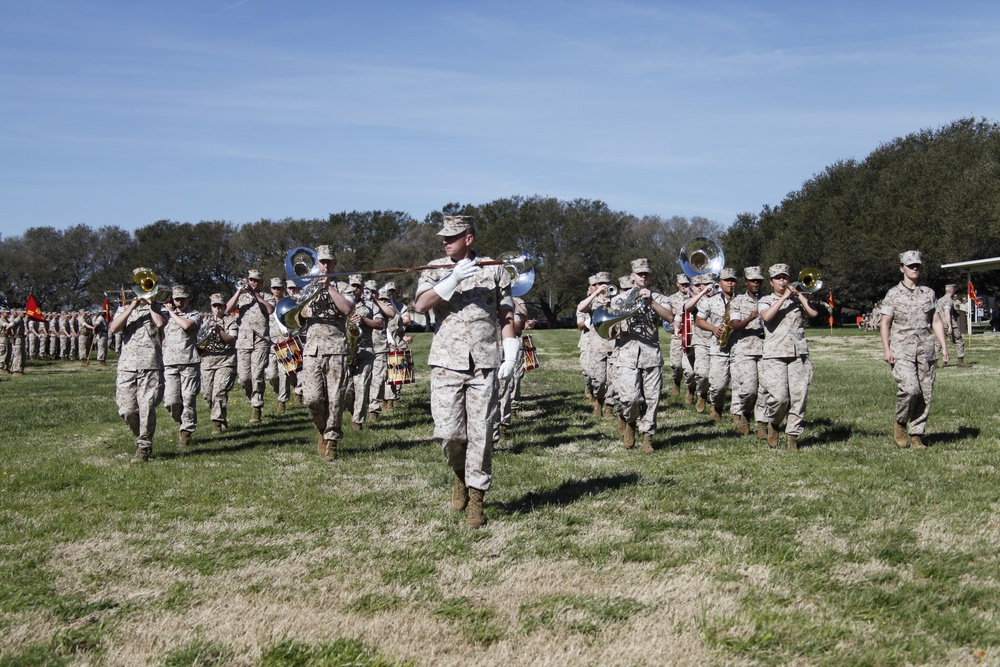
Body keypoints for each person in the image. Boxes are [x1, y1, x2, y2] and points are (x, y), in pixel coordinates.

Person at [414, 215, 518, 528]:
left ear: (468, 238)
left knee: (481, 433)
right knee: (449, 434)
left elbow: (506, 313)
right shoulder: (435, 268)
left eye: (452, 237)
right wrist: (454, 279)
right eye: (443, 238)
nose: (445, 242)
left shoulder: (495, 268)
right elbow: (421, 306)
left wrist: (511, 353)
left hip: (484, 362)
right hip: (446, 362)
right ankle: (460, 474)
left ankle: (477, 498)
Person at [880, 251, 949, 449]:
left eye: (917, 265)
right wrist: (886, 349)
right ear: (902, 268)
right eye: (910, 266)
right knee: (910, 388)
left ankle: (917, 434)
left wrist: (943, 346)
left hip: (926, 349)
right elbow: (885, 323)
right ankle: (901, 422)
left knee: (925, 393)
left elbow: (935, 321)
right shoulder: (893, 294)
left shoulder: (928, 293)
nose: (915, 268)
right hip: (902, 349)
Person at [613, 258, 675, 453]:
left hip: (650, 354)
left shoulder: (659, 298)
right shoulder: (619, 300)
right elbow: (610, 325)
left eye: (646, 273)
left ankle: (647, 436)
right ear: (632, 276)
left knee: (652, 398)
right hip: (627, 354)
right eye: (640, 274)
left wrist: (651, 301)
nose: (643, 276)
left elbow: (670, 317)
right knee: (629, 398)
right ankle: (631, 422)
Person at [299, 245, 355, 462]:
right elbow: (297, 318)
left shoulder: (344, 287)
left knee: (336, 400)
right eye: (322, 262)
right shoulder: (307, 287)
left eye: (329, 262)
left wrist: (330, 288)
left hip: (337, 350)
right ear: (317, 264)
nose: (325, 265)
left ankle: (332, 442)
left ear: (335, 264)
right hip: (312, 350)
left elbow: (348, 309)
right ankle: (322, 430)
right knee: (312, 399)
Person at [758, 263, 819, 450]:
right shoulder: (766, 300)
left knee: (799, 396)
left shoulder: (797, 300)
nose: (782, 281)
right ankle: (773, 423)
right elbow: (767, 317)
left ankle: (793, 436)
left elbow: (814, 313)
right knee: (779, 398)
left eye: (785, 277)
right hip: (774, 354)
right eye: (778, 278)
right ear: (771, 282)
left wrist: (799, 295)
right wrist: (784, 298)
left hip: (798, 353)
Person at [109, 269, 166, 462]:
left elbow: (160, 324)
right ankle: (141, 435)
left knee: (147, 406)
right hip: (127, 366)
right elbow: (114, 328)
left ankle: (144, 447)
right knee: (127, 410)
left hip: (150, 365)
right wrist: (132, 306)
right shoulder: (124, 309)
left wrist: (151, 306)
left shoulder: (159, 307)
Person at [225, 269, 275, 424]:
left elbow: (269, 310)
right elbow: (226, 310)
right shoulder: (241, 297)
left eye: (257, 280)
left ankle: (256, 406)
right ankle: (252, 396)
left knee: (258, 374)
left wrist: (255, 294)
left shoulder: (267, 296)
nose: (253, 283)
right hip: (243, 342)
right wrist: (239, 292)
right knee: (244, 377)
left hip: (260, 340)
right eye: (251, 280)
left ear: (261, 282)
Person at [727, 266, 769, 438]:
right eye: (753, 281)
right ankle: (745, 413)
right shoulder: (737, 302)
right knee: (750, 390)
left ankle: (762, 424)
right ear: (746, 283)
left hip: (767, 350)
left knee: (764, 390)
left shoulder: (767, 300)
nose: (756, 284)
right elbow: (735, 326)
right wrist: (750, 318)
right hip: (745, 349)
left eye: (759, 281)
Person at [162, 285, 202, 448]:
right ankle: (183, 420)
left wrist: (172, 312)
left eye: (183, 299)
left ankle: (186, 431)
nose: (180, 302)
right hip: (170, 362)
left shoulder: (195, 314)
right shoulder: (165, 316)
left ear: (188, 299)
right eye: (177, 299)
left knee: (188, 398)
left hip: (189, 361)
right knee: (170, 401)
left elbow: (186, 326)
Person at [695, 268, 738, 421]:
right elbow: (699, 320)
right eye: (727, 280)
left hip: (739, 348)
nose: (730, 284)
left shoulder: (742, 300)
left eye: (733, 280)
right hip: (718, 347)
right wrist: (713, 328)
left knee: (740, 385)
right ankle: (716, 405)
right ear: (720, 283)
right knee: (718, 385)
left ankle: (738, 415)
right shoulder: (710, 301)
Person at [345, 274, 385, 431]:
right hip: (345, 350)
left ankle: (358, 422)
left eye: (358, 286)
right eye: (353, 285)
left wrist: (363, 320)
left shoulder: (371, 306)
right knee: (347, 389)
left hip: (365, 350)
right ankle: (353, 409)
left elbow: (380, 324)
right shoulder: (341, 303)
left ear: (362, 288)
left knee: (361, 386)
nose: (356, 289)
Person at [577, 272, 617, 419]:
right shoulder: (591, 302)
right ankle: (599, 401)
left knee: (612, 380)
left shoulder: (616, 300)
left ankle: (609, 409)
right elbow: (581, 308)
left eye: (606, 283)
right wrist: (596, 294)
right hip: (596, 346)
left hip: (614, 345)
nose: (604, 286)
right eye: (600, 284)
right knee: (599, 380)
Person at [200, 293, 239, 434]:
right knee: (207, 394)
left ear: (224, 307)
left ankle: (217, 423)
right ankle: (221, 415)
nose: (217, 309)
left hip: (226, 361)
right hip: (207, 362)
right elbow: (198, 342)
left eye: (220, 306)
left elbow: (232, 340)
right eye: (214, 306)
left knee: (219, 392)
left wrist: (218, 330)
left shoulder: (231, 321)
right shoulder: (205, 321)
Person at [266, 277, 293, 414]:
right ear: (271, 289)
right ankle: (279, 392)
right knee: (272, 375)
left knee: (284, 374)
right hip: (271, 344)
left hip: (285, 342)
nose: (277, 290)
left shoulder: (288, 303)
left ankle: (282, 401)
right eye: (274, 288)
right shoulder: (267, 304)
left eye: (279, 288)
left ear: (283, 289)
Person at [666, 274, 695, 402]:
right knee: (676, 365)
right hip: (678, 335)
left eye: (686, 284)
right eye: (682, 284)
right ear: (677, 284)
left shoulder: (694, 296)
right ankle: (676, 381)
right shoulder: (671, 299)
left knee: (691, 368)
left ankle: (690, 389)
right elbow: (666, 321)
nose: (684, 286)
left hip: (692, 335)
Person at [936, 284, 966, 368]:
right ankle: (961, 361)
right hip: (949, 323)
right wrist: (949, 326)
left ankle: (935, 363)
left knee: (938, 343)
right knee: (959, 340)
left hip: (939, 324)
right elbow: (946, 312)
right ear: (953, 291)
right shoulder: (949, 300)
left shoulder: (939, 300)